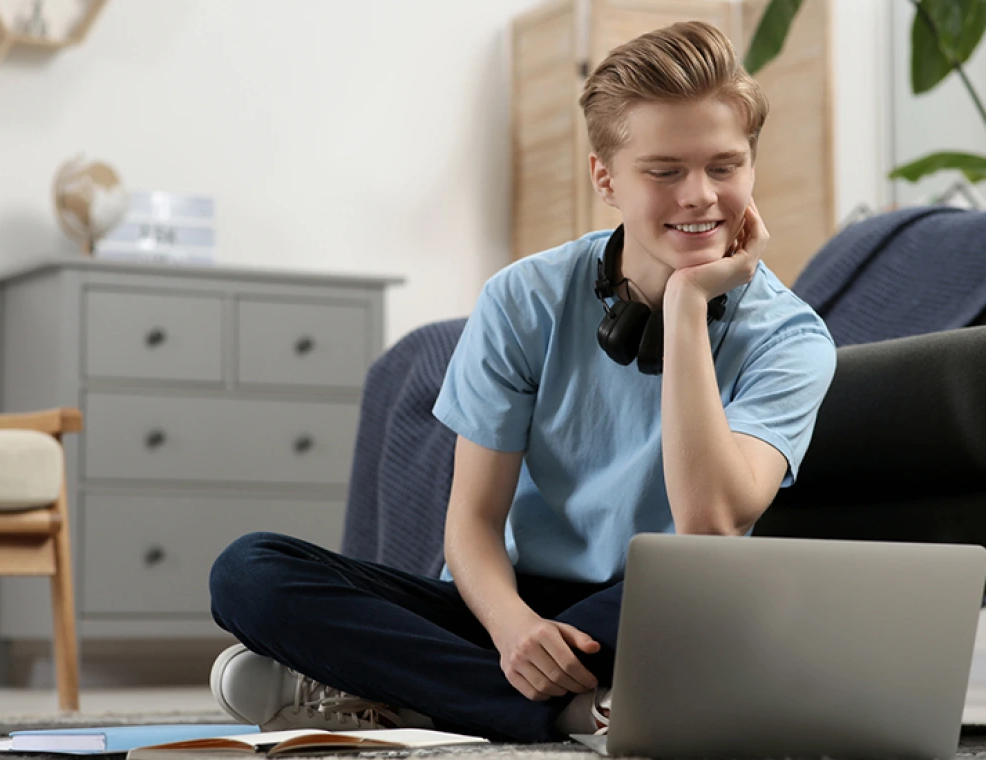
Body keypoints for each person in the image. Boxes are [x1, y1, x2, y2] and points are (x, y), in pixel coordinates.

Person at [207, 19, 837, 744]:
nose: (700, 195)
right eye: (665, 171)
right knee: (248, 572)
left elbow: (709, 526)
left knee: (732, 593)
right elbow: (472, 523)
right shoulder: (523, 298)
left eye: (725, 167)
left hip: (659, 602)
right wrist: (514, 633)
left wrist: (689, 307)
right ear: (607, 178)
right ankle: (567, 706)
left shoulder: (791, 338)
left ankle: (406, 689)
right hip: (513, 602)